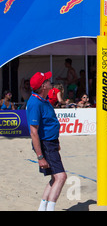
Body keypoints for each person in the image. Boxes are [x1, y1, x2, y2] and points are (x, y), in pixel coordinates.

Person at [27, 71, 67, 211]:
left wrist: (56, 142)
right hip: (46, 144)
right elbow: (33, 132)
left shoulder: (43, 100)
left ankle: (42, 208)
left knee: (54, 178)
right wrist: (40, 157)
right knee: (61, 177)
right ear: (43, 86)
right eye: (47, 80)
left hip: (51, 142)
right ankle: (50, 208)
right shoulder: (35, 103)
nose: (50, 81)